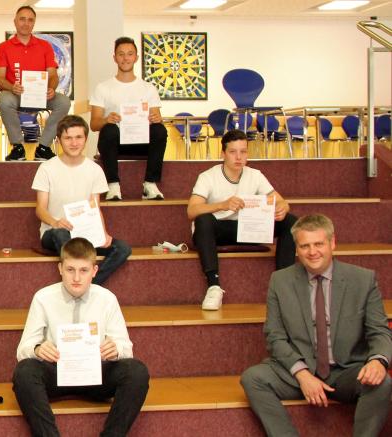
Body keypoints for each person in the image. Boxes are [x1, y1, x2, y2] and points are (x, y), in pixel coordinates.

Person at [241, 214, 391, 436]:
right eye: (305, 246)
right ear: (297, 249)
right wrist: (302, 375)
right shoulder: (280, 281)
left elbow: (379, 330)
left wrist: (378, 360)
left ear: (332, 243)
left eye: (319, 244)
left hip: (346, 370)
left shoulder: (363, 280)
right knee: (253, 379)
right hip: (299, 370)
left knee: (382, 383)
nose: (312, 252)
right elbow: (275, 336)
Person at [12, 237, 149, 437]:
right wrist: (38, 349)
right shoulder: (43, 298)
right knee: (24, 372)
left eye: (83, 270)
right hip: (57, 372)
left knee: (137, 371)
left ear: (94, 271)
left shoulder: (107, 299)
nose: (76, 277)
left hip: (96, 373)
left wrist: (115, 349)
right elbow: (23, 349)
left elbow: (125, 347)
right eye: (70, 270)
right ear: (60, 269)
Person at [187, 129, 296, 311]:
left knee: (291, 221)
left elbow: (281, 201)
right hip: (219, 230)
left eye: (243, 152)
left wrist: (283, 208)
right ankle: (214, 286)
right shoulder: (208, 176)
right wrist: (222, 205)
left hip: (250, 229)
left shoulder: (255, 175)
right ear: (223, 154)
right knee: (202, 220)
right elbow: (192, 210)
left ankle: (284, 285)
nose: (238, 157)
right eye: (233, 152)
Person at [32, 115, 131, 286]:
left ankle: (88, 285)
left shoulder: (95, 170)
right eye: (68, 138)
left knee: (122, 249)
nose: (74, 143)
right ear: (59, 140)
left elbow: (95, 208)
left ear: (85, 139)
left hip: (84, 232)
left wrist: (103, 233)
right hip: (54, 232)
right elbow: (40, 209)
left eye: (79, 137)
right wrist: (55, 222)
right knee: (62, 234)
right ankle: (73, 284)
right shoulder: (46, 168)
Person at [89, 37, 167, 201]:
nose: (125, 58)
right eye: (121, 54)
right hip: (115, 144)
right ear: (115, 57)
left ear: (136, 58)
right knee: (108, 129)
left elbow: (157, 117)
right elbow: (94, 124)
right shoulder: (103, 87)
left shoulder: (148, 88)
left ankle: (150, 184)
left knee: (160, 129)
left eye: (130, 54)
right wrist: (106, 119)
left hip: (141, 143)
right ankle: (113, 186)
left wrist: (156, 118)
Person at [0, 5, 70, 162]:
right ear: (15, 21)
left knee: (63, 102)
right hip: (17, 95)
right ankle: (18, 147)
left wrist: (51, 88)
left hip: (40, 96)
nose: (26, 23)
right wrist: (11, 87)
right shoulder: (3, 47)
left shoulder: (45, 47)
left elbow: (53, 75)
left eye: (30, 20)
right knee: (4, 98)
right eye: (22, 19)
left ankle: (43, 148)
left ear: (34, 23)